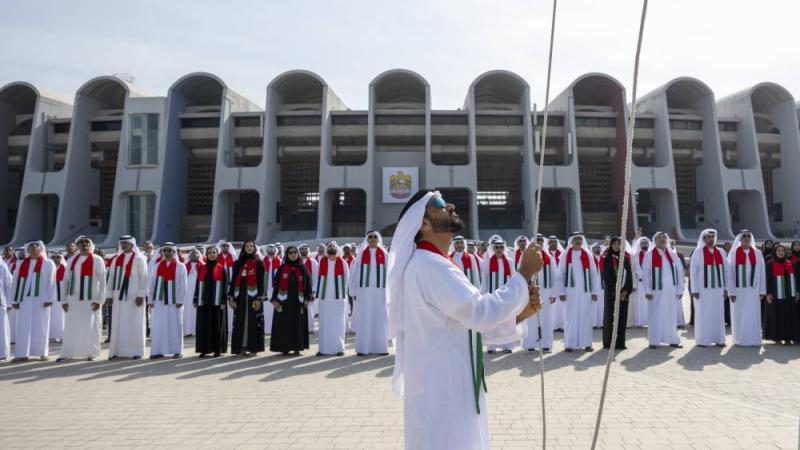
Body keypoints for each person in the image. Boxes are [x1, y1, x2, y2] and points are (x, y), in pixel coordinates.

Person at [388, 190, 542, 450]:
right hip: (442, 390)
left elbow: (463, 324)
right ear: (423, 224)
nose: (450, 205)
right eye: (438, 204)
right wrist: (522, 274)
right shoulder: (430, 265)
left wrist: (518, 315)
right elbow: (479, 313)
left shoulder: (433, 263)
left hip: (448, 385)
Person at [57, 237, 106, 362]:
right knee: (72, 327)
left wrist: (100, 300)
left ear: (91, 245)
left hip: (91, 300)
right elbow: (65, 281)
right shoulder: (72, 260)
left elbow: (103, 282)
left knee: (91, 326)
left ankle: (91, 353)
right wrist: (63, 300)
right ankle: (69, 353)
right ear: (77, 246)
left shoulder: (97, 260)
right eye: (81, 243)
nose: (84, 244)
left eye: (86, 242)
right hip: (73, 300)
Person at [10, 241, 56, 362]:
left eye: (37, 245)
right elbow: (15, 282)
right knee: (22, 326)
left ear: (41, 249)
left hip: (41, 300)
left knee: (41, 326)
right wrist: (14, 300)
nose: (34, 247)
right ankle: (22, 354)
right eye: (31, 246)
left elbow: (51, 282)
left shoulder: (48, 263)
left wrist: (50, 298)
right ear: (27, 249)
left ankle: (42, 353)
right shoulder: (21, 264)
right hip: (24, 299)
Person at [107, 236, 148, 360]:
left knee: (134, 322)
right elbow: (111, 278)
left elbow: (144, 278)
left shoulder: (139, 259)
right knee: (118, 323)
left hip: (134, 297)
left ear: (132, 244)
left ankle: (136, 351)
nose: (123, 245)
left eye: (126, 243)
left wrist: (141, 295)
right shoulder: (116, 260)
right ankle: (117, 351)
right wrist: (109, 295)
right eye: (122, 243)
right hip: (118, 297)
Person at [558, 232, 601, 352]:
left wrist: (595, 292)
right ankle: (569, 344)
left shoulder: (588, 254)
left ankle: (587, 343)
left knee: (586, 317)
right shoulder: (565, 255)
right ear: (571, 241)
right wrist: (561, 292)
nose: (578, 241)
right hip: (569, 292)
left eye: (580, 239)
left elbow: (593, 273)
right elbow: (560, 273)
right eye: (576, 239)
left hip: (585, 292)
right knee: (570, 317)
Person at [349, 231, 390, 356]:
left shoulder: (385, 254)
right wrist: (354, 290)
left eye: (375, 237)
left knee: (380, 319)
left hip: (380, 292)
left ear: (379, 239)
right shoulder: (361, 255)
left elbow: (389, 273)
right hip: (364, 292)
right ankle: (363, 348)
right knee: (365, 319)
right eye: (370, 237)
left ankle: (381, 348)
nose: (372, 239)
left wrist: (389, 291)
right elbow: (354, 274)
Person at [642, 232, 684, 349]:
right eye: (659, 238)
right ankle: (654, 340)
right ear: (654, 241)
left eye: (664, 237)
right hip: (656, 292)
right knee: (655, 315)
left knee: (671, 315)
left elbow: (679, 272)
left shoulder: (673, 255)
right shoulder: (649, 255)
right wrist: (648, 291)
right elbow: (646, 274)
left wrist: (680, 289)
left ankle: (672, 339)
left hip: (671, 291)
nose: (662, 239)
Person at [725, 230, 766, 347]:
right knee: (739, 314)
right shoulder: (733, 254)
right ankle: (739, 339)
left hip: (754, 290)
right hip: (738, 291)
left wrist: (762, 290)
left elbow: (762, 272)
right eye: (744, 236)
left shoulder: (757, 253)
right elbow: (730, 274)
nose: (746, 238)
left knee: (753, 315)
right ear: (739, 238)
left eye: (748, 236)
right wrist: (731, 291)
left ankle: (754, 339)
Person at [269, 245, 312, 356]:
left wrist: (307, 298)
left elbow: (308, 285)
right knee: (284, 325)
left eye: (295, 252)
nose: (293, 254)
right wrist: (274, 300)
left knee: (297, 324)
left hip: (299, 302)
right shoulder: (282, 268)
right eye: (290, 253)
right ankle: (285, 347)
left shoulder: (302, 268)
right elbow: (276, 285)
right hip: (284, 302)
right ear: (287, 255)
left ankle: (297, 347)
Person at [689, 229, 729, 347]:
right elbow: (693, 272)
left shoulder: (721, 252)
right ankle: (703, 340)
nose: (710, 239)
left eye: (712, 237)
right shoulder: (698, 252)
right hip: (703, 290)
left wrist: (726, 288)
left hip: (718, 289)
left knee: (718, 314)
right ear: (704, 239)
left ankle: (719, 339)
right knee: (703, 313)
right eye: (708, 237)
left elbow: (726, 271)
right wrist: (695, 289)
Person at [148, 242, 186, 359]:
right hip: (159, 301)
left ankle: (177, 350)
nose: (167, 253)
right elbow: (152, 284)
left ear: (174, 252)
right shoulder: (157, 265)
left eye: (169, 250)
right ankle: (158, 351)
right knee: (159, 325)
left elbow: (183, 285)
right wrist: (150, 300)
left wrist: (180, 300)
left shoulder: (180, 266)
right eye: (165, 250)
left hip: (175, 301)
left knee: (175, 325)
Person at [522, 234, 560, 353]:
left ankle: (546, 344)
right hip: (531, 292)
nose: (539, 243)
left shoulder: (549, 257)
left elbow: (555, 277)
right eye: (537, 241)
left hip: (546, 292)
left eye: (541, 241)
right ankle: (530, 344)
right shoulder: (526, 257)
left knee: (546, 319)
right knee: (531, 318)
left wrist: (554, 294)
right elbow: (521, 275)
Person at [480, 238, 517, 354]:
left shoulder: (510, 262)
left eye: (501, 247)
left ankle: (507, 346)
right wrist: (483, 294)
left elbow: (513, 278)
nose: (499, 250)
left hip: (506, 296)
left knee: (506, 320)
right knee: (492, 320)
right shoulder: (486, 262)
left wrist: (513, 294)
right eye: (496, 247)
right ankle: (491, 346)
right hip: (492, 295)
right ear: (493, 249)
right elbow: (485, 280)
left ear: (504, 248)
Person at [228, 241, 265, 356]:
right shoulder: (237, 264)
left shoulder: (259, 263)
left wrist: (259, 298)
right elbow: (233, 281)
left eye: (251, 246)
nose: (249, 248)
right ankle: (241, 347)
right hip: (240, 297)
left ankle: (253, 348)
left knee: (253, 321)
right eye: (247, 246)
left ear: (254, 248)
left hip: (253, 297)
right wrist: (231, 297)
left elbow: (261, 282)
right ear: (243, 248)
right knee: (240, 322)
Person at [315, 241, 350, 356]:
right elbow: (317, 277)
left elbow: (346, 280)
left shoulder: (343, 262)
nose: (332, 247)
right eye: (330, 246)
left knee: (338, 323)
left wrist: (342, 295)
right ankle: (323, 349)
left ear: (337, 248)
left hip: (338, 298)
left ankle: (339, 348)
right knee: (324, 323)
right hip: (324, 298)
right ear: (327, 249)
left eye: (334, 246)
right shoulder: (322, 261)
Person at [194, 245, 228, 357]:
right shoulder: (202, 268)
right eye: (210, 253)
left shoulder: (221, 268)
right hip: (203, 302)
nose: (212, 254)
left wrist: (223, 301)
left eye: (214, 252)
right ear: (207, 255)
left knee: (216, 325)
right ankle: (204, 349)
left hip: (217, 302)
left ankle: (217, 350)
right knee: (203, 325)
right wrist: (195, 299)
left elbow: (225, 287)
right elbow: (198, 285)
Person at [602, 237, 633, 350]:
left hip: (623, 294)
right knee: (610, 318)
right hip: (612, 294)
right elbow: (606, 277)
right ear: (611, 245)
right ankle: (609, 343)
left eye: (618, 243)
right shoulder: (607, 259)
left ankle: (620, 343)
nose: (616, 245)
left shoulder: (625, 258)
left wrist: (626, 290)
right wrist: (616, 291)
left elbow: (629, 276)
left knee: (622, 318)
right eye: (614, 243)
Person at [763, 244, 798, 344]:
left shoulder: (790, 263)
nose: (781, 252)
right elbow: (768, 279)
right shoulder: (770, 263)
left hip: (788, 296)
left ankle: (787, 338)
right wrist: (768, 293)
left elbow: (794, 279)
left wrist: (796, 292)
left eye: (783, 251)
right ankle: (777, 338)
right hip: (775, 295)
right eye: (779, 251)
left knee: (788, 317)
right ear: (775, 252)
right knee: (776, 316)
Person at [218, 240, 237, 335]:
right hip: (220, 285)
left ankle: (230, 328)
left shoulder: (233, 257)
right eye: (223, 246)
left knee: (231, 305)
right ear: (220, 247)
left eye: (227, 246)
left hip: (231, 284)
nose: (225, 247)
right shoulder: (217, 257)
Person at [298, 244, 319, 333]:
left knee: (309, 309)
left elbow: (315, 276)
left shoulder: (313, 262)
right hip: (297, 289)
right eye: (301, 249)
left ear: (308, 250)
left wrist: (313, 290)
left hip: (308, 289)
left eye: (305, 249)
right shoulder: (296, 261)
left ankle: (309, 328)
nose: (303, 251)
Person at [631, 237, 651, 328]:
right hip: (640, 282)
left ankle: (650, 321)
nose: (644, 245)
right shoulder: (636, 255)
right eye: (642, 243)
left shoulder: (651, 254)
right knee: (640, 303)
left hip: (651, 282)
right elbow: (636, 268)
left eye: (646, 243)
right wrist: (643, 276)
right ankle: (640, 322)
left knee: (650, 302)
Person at [262, 244, 282, 335]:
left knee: (277, 309)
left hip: (276, 290)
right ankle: (267, 330)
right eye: (269, 249)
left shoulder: (280, 261)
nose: (270, 251)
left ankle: (277, 330)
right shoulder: (262, 261)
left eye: (272, 249)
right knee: (266, 311)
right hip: (265, 290)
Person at [547, 236, 566, 332]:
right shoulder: (546, 254)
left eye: (555, 241)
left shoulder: (562, 254)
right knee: (552, 305)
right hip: (550, 283)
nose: (553, 243)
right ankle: (553, 325)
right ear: (548, 243)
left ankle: (562, 325)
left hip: (561, 283)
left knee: (561, 306)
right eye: (551, 241)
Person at [49, 252, 66, 342]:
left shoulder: (65, 267)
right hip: (51, 295)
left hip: (62, 294)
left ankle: (63, 335)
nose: (56, 259)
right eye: (53, 257)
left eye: (58, 257)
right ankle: (52, 336)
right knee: (51, 315)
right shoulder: (48, 268)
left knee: (62, 316)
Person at [591, 243, 605, 328]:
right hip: (594, 285)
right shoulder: (591, 258)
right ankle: (593, 323)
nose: (597, 249)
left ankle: (601, 323)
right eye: (595, 248)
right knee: (594, 304)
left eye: (598, 248)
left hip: (602, 285)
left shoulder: (604, 259)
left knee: (602, 304)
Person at [0, 258, 12, 360]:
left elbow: (9, 284)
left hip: (0, 302)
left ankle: (2, 353)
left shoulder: (2, 266)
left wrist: (9, 303)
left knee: (1, 327)